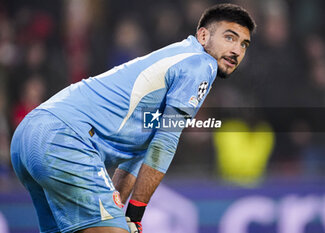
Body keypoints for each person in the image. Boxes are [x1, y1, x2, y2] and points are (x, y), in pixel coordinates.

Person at [10, 3, 255, 233]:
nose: (236, 50)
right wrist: (135, 215)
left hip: (29, 135)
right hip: (65, 139)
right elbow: (165, 143)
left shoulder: (173, 60)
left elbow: (136, 155)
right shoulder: (201, 65)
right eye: (229, 37)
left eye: (244, 44)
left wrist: (121, 213)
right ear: (203, 36)